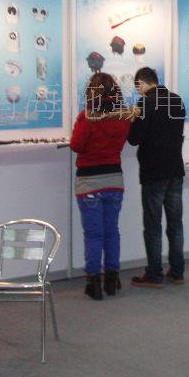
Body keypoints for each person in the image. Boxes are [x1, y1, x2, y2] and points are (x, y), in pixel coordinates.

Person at [70, 73, 133, 300]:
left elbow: (76, 146)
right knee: (111, 232)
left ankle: (94, 281)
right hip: (114, 180)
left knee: (93, 235)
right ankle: (112, 279)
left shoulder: (87, 118)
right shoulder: (123, 117)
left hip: (89, 182)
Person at [127, 67, 187, 288]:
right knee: (175, 223)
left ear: (142, 83)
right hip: (175, 169)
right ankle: (177, 271)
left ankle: (154, 274)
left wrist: (132, 118)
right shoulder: (176, 100)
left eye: (138, 87)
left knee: (153, 225)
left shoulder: (145, 104)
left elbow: (134, 139)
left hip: (153, 172)